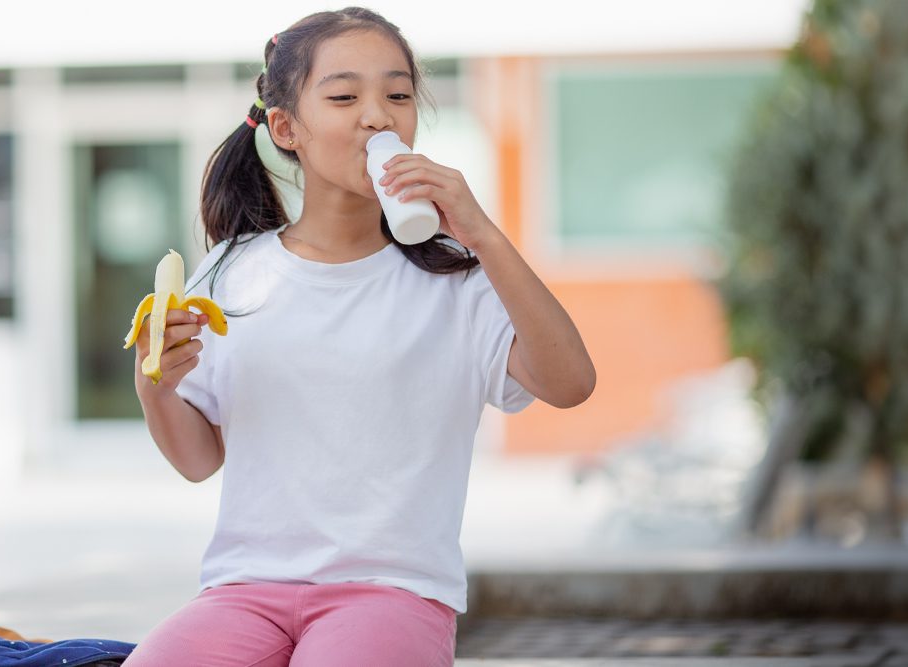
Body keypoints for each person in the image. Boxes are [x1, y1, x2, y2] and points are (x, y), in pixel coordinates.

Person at [123, 7, 595, 666]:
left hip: (393, 592)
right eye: (345, 96)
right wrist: (158, 387)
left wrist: (482, 233)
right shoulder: (232, 271)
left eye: (398, 95)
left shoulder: (456, 280)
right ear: (287, 128)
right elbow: (199, 459)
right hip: (245, 590)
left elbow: (572, 383)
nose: (377, 115)